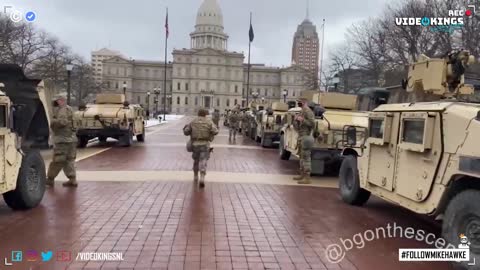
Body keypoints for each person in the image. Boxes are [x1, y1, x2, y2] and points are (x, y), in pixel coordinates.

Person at [46, 94, 78, 187]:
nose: (56, 103)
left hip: (63, 140)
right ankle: (72, 179)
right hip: (71, 139)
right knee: (69, 160)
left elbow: (62, 122)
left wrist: (52, 122)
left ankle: (50, 179)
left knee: (58, 160)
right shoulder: (70, 109)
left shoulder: (62, 110)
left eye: (57, 101)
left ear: (62, 100)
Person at [183, 108, 218, 188]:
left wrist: (186, 129)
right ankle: (202, 177)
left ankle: (195, 176)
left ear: (198, 113)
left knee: (196, 160)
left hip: (195, 144)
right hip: (205, 144)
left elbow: (186, 132)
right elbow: (215, 131)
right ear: (205, 114)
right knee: (203, 160)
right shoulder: (209, 122)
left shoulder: (193, 121)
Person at [292, 98, 315, 184]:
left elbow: (313, 124)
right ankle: (302, 174)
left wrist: (303, 120)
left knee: (306, 157)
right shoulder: (302, 111)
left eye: (300, 102)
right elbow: (297, 126)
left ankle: (307, 177)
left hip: (306, 136)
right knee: (301, 157)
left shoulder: (308, 111)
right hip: (301, 136)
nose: (298, 103)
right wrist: (296, 120)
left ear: (304, 102)